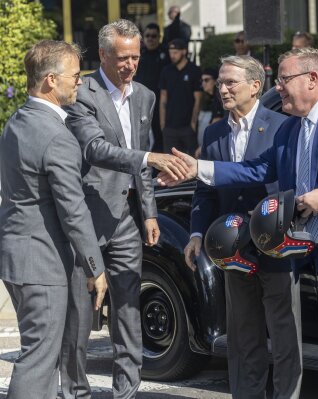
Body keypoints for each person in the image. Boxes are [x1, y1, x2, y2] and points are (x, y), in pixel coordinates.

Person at [159, 47, 318, 398]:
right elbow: (254, 169)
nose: (278, 87)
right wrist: (198, 168)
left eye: (284, 79)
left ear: (312, 79)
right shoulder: (291, 131)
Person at [59, 19, 189, 399]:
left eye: (136, 56)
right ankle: (75, 391)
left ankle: (126, 392)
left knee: (129, 307)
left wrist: (148, 212)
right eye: (122, 57)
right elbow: (95, 149)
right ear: (103, 55)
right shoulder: (83, 94)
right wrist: (151, 157)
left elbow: (140, 167)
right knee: (82, 313)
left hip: (128, 220)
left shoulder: (145, 96)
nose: (131, 64)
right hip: (87, 218)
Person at [186, 55, 302, 398]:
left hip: (276, 247)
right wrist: (196, 234)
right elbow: (204, 191)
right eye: (220, 82)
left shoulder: (283, 126)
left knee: (284, 337)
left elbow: (292, 183)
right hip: (233, 250)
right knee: (243, 337)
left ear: (255, 85)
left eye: (230, 82)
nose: (222, 89)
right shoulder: (213, 132)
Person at [0, 40, 107, 399]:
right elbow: (73, 211)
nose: (80, 82)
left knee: (39, 358)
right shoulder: (55, 136)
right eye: (75, 76)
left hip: (18, 257)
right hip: (42, 264)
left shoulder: (18, 119)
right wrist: (96, 267)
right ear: (50, 80)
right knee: (39, 361)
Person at [160, 38, 202, 156]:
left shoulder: (194, 70)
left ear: (184, 52)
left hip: (188, 127)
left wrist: (193, 123)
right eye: (170, 52)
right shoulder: (166, 71)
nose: (172, 55)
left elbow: (198, 99)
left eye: (175, 52)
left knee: (192, 163)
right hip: (170, 127)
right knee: (171, 164)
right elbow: (163, 98)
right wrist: (162, 124)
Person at [135, 22, 169, 152]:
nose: (150, 39)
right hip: (140, 101)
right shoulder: (138, 53)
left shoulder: (165, 54)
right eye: (147, 35)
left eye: (154, 36)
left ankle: (156, 169)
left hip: (159, 102)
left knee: (159, 134)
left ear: (159, 37)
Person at [195, 67, 224, 157]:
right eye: (202, 80)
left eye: (206, 80)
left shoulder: (219, 97)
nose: (203, 83)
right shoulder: (210, 97)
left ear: (215, 81)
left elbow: (216, 122)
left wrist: (203, 145)